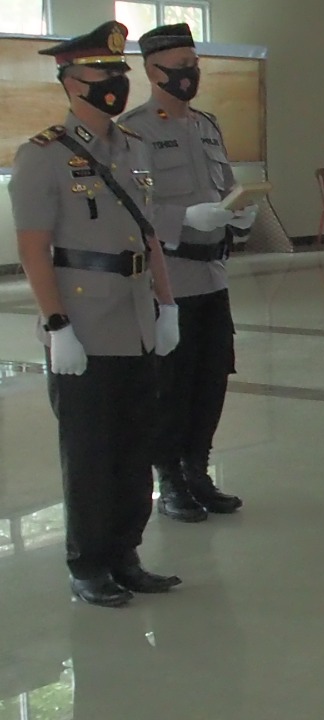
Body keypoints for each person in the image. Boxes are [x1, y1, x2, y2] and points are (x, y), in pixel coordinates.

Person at [8, 20, 182, 607]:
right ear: (70, 82)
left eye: (117, 72)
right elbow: (33, 249)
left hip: (135, 319)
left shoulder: (133, 147)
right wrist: (56, 325)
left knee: (135, 446)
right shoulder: (42, 155)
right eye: (99, 73)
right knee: (90, 453)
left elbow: (149, 235)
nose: (113, 83)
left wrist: (167, 304)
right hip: (84, 323)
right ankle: (88, 564)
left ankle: (125, 555)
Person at [122, 23, 251, 524]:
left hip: (213, 275)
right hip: (170, 278)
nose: (188, 75)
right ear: (152, 71)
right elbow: (132, 209)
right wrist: (183, 218)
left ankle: (198, 469)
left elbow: (228, 188)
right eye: (179, 68)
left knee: (211, 377)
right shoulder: (135, 132)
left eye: (193, 66)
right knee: (170, 385)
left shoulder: (207, 125)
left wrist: (241, 213)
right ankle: (170, 479)